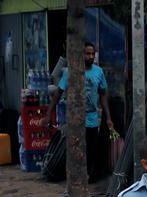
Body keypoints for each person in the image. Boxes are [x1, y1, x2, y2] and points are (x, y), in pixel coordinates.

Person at [47, 41, 114, 182]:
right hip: (75, 118)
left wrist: (108, 118)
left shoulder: (99, 72)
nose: (90, 56)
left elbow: (103, 95)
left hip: (92, 118)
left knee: (91, 149)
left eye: (92, 54)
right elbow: (58, 93)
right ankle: (75, 178)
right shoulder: (71, 72)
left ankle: (89, 177)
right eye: (87, 54)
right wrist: (49, 114)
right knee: (76, 149)